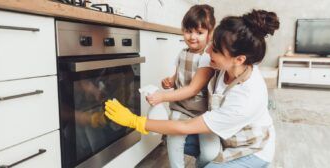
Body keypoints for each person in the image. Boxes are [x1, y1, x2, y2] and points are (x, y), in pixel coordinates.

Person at [104, 9, 280, 168]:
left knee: (181, 134)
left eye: (216, 49)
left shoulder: (247, 97)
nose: (208, 50)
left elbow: (186, 126)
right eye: (212, 43)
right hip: (226, 135)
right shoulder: (225, 64)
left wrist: (135, 121)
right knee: (169, 135)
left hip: (250, 148)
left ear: (239, 59)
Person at [145, 4, 218, 168]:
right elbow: (180, 75)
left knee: (209, 153)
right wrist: (171, 80)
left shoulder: (207, 57)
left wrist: (162, 97)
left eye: (199, 33)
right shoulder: (182, 53)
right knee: (174, 139)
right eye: (188, 31)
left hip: (203, 111)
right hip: (181, 107)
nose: (192, 37)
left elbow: (193, 88)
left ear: (209, 33)